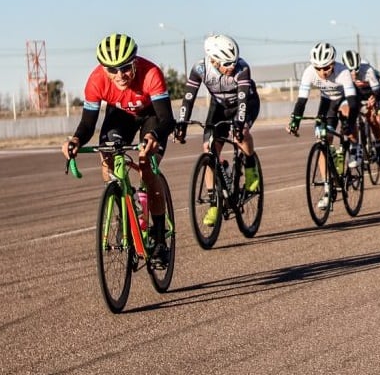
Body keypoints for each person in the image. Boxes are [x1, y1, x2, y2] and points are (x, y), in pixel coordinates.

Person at [61, 33, 174, 265]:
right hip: (121, 116)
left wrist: (154, 135)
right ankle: (121, 204)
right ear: (103, 69)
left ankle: (160, 238)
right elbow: (87, 124)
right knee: (107, 156)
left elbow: (167, 119)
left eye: (125, 68)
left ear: (135, 62)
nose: (119, 76)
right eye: (112, 70)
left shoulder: (151, 73)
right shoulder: (96, 81)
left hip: (151, 116)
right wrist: (75, 140)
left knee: (145, 165)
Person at [174, 34, 261, 227]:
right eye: (227, 63)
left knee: (242, 134)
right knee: (208, 148)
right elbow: (188, 97)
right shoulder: (200, 68)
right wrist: (181, 122)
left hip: (245, 103)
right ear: (213, 60)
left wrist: (239, 124)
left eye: (234, 62)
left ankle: (250, 168)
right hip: (219, 107)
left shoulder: (243, 68)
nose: (232, 67)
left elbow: (243, 100)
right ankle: (214, 204)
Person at [287, 42, 360, 210]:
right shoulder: (309, 73)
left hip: (343, 99)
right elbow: (301, 101)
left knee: (348, 112)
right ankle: (328, 188)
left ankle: (355, 147)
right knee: (322, 139)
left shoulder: (343, 72)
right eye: (318, 68)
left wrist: (348, 124)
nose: (322, 72)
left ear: (333, 63)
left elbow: (354, 103)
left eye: (326, 68)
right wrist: (294, 121)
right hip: (327, 101)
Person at [343, 50, 380, 165]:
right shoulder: (342, 72)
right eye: (350, 71)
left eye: (355, 70)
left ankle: (378, 144)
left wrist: (374, 100)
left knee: (373, 119)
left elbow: (378, 93)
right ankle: (356, 146)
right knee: (349, 112)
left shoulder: (368, 71)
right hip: (356, 93)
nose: (353, 73)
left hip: (371, 91)